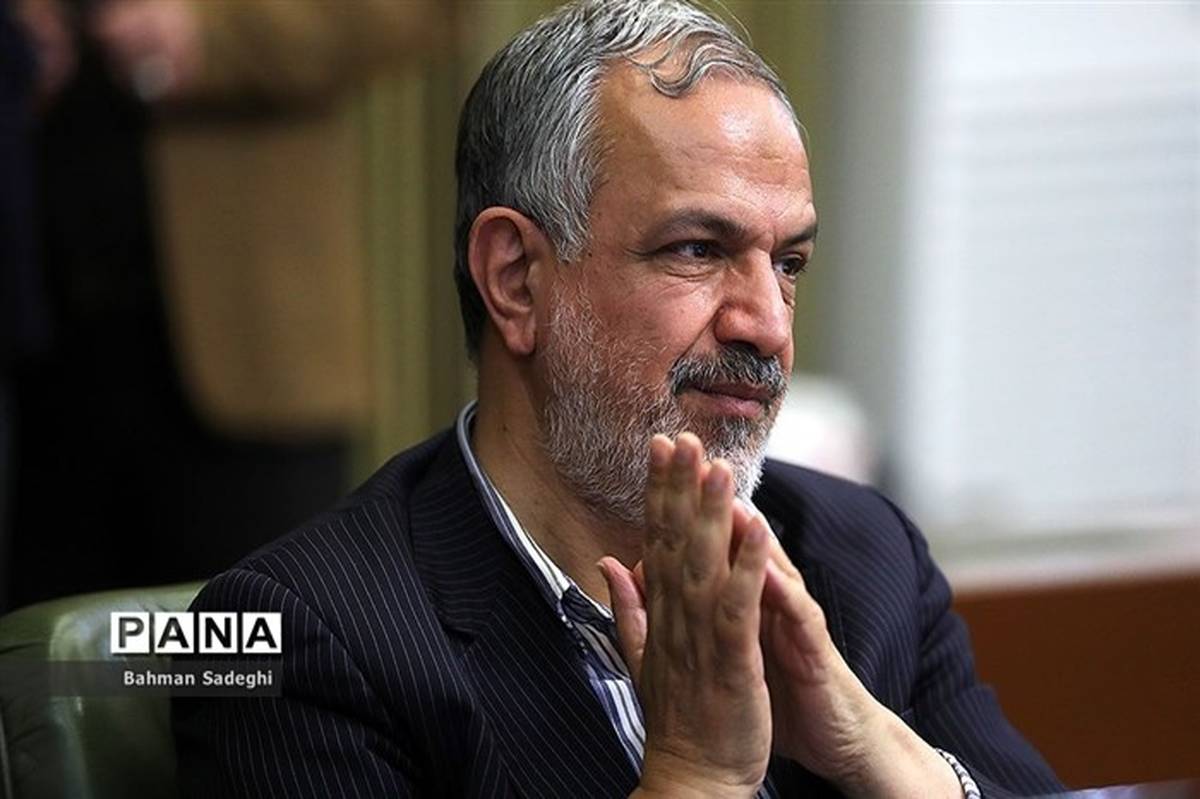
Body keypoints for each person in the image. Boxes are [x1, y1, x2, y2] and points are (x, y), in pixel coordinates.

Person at [174, 2, 1063, 796]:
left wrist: (877, 750)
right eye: (697, 250)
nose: (767, 325)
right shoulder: (291, 636)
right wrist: (696, 776)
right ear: (516, 279)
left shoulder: (863, 558)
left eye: (788, 262)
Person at [6, 0, 442, 609]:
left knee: (244, 650)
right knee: (56, 657)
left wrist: (210, 33)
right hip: (41, 350)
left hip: (246, 351)